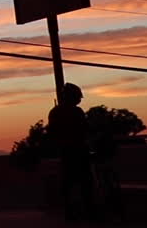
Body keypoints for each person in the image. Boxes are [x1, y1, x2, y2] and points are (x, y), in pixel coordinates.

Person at [47, 82, 93, 219]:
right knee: (84, 182)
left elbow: (53, 133)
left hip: (66, 151)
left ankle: (71, 211)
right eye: (77, 97)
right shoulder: (76, 112)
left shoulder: (55, 112)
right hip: (77, 151)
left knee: (69, 182)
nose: (78, 100)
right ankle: (86, 210)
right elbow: (85, 129)